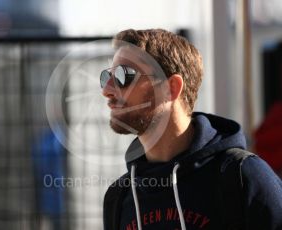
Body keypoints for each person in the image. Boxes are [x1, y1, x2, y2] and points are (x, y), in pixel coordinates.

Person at [100, 29, 282, 230]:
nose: (106, 90)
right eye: (106, 76)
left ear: (171, 88)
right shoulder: (119, 197)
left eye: (123, 76)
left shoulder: (243, 176)